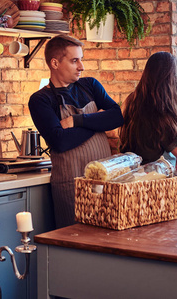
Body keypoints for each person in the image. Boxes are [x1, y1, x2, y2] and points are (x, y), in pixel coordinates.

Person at [28, 35, 124, 228]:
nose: (81, 66)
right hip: (71, 185)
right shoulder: (41, 100)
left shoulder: (90, 85)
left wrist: (77, 121)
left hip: (104, 181)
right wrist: (97, 122)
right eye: (74, 61)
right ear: (55, 63)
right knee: (73, 243)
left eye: (81, 59)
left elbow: (116, 117)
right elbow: (60, 141)